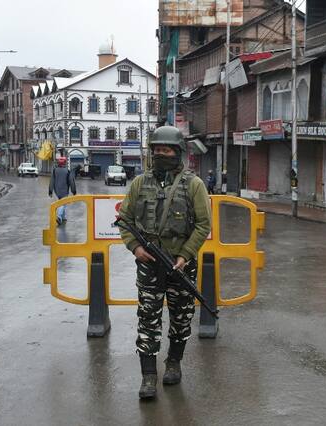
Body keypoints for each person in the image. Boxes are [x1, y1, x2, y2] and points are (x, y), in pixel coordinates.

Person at [118, 125, 211, 399]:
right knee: (148, 319)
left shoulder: (193, 184)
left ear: (177, 152)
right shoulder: (139, 183)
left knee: (181, 317)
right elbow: (125, 219)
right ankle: (148, 376)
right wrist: (135, 247)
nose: (161, 154)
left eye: (166, 150)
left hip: (181, 264)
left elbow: (203, 224)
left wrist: (185, 255)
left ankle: (173, 363)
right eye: (157, 150)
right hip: (149, 264)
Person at [48, 157, 76, 225]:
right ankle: (59, 217)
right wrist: (74, 191)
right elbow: (71, 181)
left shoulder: (54, 171)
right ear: (65, 163)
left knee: (62, 203)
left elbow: (52, 181)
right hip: (64, 191)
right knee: (63, 204)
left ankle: (63, 217)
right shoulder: (67, 171)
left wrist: (50, 191)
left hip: (57, 191)